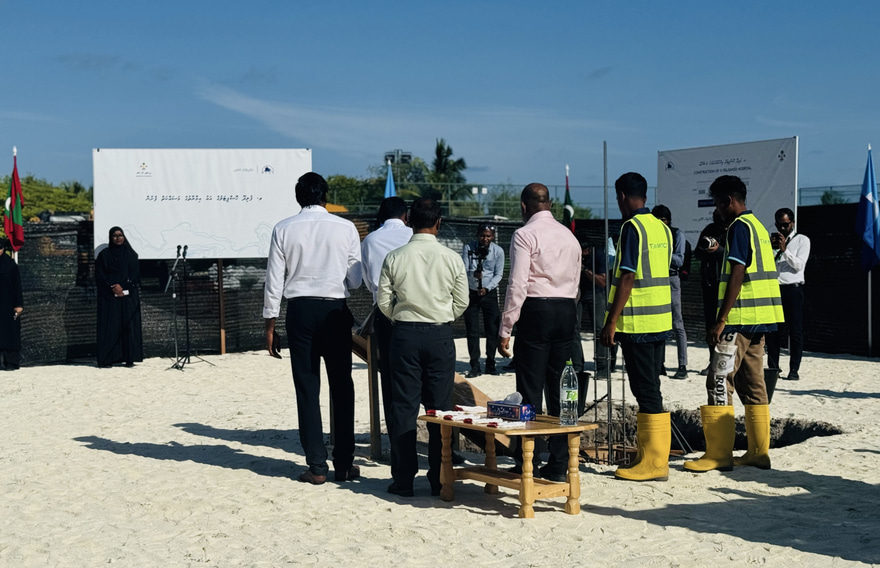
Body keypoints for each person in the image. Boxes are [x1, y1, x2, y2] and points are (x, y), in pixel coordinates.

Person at [262, 172, 362, 485]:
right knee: (341, 385)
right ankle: (344, 464)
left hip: (300, 311)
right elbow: (355, 280)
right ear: (325, 196)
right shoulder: (346, 227)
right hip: (334, 310)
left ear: (298, 197)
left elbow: (274, 280)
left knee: (307, 387)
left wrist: (270, 323)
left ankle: (317, 466)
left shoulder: (283, 228)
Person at [684, 175, 783, 473]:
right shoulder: (758, 227)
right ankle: (758, 452)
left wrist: (721, 319)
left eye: (717, 203)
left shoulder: (738, 227)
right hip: (760, 322)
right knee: (754, 385)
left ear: (728, 201)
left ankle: (718, 454)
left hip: (738, 321)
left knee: (719, 380)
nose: (716, 209)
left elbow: (737, 272)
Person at [378, 198, 469, 497]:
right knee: (440, 409)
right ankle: (439, 477)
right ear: (439, 222)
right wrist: (442, 317)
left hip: (404, 334)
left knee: (404, 408)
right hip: (440, 334)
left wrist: (400, 317)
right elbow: (462, 301)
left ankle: (404, 479)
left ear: (409, 221)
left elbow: (383, 301)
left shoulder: (394, 257)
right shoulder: (451, 258)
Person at [498, 183, 581, 482]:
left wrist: (506, 327)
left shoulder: (524, 234)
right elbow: (576, 281)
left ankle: (528, 460)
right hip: (566, 309)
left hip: (536, 309)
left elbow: (517, 283)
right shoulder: (569, 235)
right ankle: (559, 463)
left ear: (524, 206)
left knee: (530, 388)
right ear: (550, 204)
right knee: (561, 389)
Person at [600, 172, 673, 482]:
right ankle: (651, 457)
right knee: (651, 387)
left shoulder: (632, 228)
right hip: (660, 321)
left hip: (639, 323)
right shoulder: (662, 227)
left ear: (621, 196)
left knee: (645, 390)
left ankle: (655, 463)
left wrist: (611, 321)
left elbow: (627, 276)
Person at [361, 197, 413, 436]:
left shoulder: (371, 239)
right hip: (415, 311)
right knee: (416, 374)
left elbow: (367, 281)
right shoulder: (413, 235)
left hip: (384, 312)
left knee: (390, 377)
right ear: (405, 216)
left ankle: (395, 437)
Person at [766, 207, 810, 381]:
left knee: (795, 331)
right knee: (773, 331)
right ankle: (773, 368)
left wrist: (785, 250)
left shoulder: (802, 240)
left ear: (793, 222)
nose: (782, 228)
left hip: (793, 289)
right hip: (775, 288)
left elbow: (799, 265)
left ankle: (794, 369)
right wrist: (772, 249)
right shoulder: (773, 241)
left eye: (786, 225)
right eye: (779, 225)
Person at [95, 226, 143, 368]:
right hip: (109, 296)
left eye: (120, 235)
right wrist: (113, 287)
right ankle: (108, 359)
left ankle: (129, 358)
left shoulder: (130, 255)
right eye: (115, 235)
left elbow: (135, 275)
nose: (118, 238)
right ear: (111, 238)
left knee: (128, 327)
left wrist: (123, 287)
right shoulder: (104, 255)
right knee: (110, 326)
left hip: (128, 297)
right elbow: (100, 275)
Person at [462, 222, 504, 377]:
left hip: (489, 293)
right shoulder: (468, 248)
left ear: (492, 236)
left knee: (492, 329)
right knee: (472, 331)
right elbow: (464, 269)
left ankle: (490, 363)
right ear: (477, 235)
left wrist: (487, 287)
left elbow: (498, 274)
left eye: (488, 236)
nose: (485, 239)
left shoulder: (498, 251)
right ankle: (474, 365)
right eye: (482, 236)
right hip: (472, 293)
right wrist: (473, 275)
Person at [651, 205, 689, 380]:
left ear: (668, 221)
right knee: (658, 323)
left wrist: (663, 251)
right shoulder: (651, 234)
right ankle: (659, 364)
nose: (660, 224)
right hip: (654, 279)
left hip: (671, 279)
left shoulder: (676, 234)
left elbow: (679, 260)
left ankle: (682, 365)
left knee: (677, 323)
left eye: (663, 220)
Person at [694, 211, 727, 375]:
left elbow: (736, 257)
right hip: (710, 284)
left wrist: (719, 250)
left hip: (727, 285)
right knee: (710, 325)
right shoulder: (709, 229)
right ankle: (713, 360)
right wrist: (705, 248)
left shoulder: (734, 230)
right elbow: (697, 253)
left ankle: (725, 362)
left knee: (726, 326)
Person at [0, 239, 23, 370]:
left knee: (10, 334)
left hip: (8, 304)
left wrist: (19, 304)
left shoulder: (10, 265)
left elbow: (17, 286)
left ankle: (11, 362)